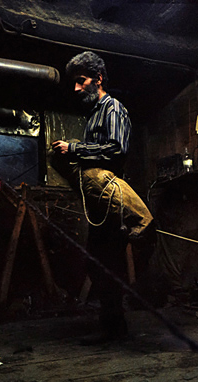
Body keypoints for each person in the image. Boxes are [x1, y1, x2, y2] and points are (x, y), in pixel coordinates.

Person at [51, 51, 153, 344]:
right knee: (98, 263)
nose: (76, 88)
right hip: (99, 199)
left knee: (110, 262)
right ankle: (111, 325)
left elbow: (116, 150)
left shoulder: (113, 109)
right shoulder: (94, 114)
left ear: (97, 79)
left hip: (111, 194)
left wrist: (74, 149)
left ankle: (115, 328)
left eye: (81, 81)